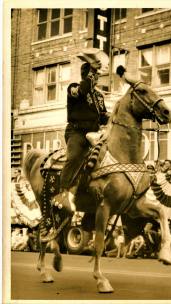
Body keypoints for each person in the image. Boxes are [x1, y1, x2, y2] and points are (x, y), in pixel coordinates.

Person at [52, 55, 109, 214]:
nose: (97, 78)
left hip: (94, 135)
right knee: (75, 156)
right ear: (86, 75)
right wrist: (93, 69)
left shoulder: (99, 96)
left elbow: (103, 116)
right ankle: (63, 193)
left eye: (97, 75)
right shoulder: (74, 88)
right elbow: (82, 91)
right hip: (76, 132)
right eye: (94, 75)